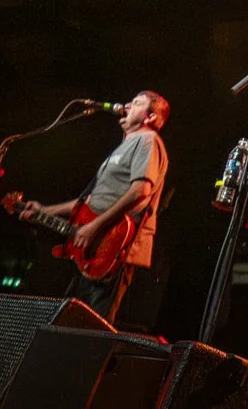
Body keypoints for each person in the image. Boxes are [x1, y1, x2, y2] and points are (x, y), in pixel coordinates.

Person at [22, 91, 170, 325]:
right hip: (92, 248)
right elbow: (90, 202)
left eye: (137, 103)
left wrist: (94, 227)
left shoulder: (147, 140)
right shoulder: (123, 146)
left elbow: (141, 191)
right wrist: (44, 211)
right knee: (67, 321)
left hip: (115, 245)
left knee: (92, 327)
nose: (128, 104)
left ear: (150, 117)